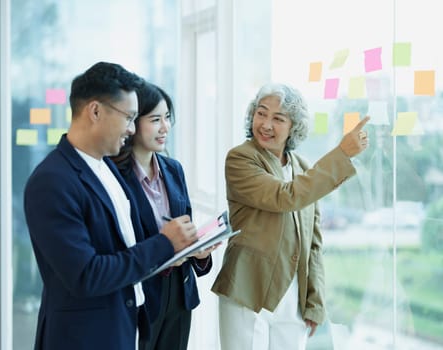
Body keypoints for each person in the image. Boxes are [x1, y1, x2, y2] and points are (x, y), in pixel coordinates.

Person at [23, 62, 200, 350]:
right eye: (129, 117)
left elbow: (123, 246)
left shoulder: (106, 167)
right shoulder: (52, 181)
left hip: (124, 328)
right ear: (95, 111)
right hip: (84, 338)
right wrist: (164, 243)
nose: (132, 130)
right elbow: (86, 275)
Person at [211, 83, 370, 350]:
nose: (266, 124)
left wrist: (314, 303)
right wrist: (342, 154)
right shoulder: (240, 159)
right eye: (261, 113)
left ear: (293, 126)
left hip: (292, 298)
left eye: (278, 118)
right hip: (248, 290)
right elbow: (285, 197)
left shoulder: (302, 168)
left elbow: (314, 243)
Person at [111, 81, 218, 350]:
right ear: (133, 124)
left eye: (167, 118)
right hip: (141, 296)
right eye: (155, 119)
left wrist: (200, 251)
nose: (165, 127)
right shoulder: (115, 176)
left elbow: (186, 225)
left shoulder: (173, 170)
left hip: (180, 294)